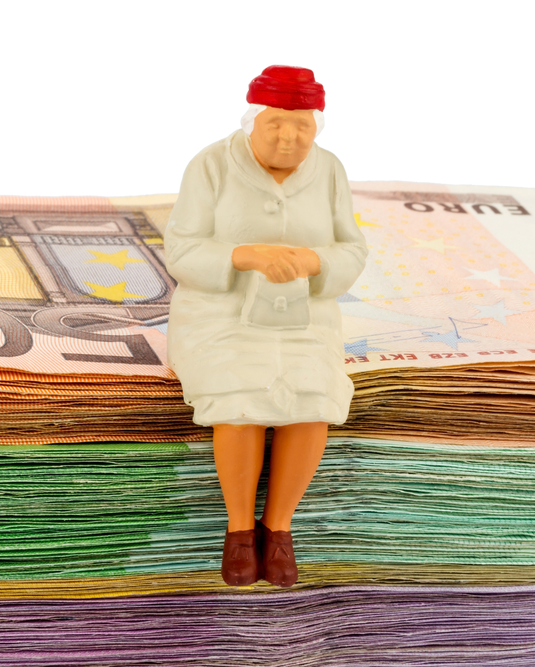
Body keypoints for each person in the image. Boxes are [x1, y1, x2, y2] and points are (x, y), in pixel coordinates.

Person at [163, 65, 367, 587]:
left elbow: (351, 249)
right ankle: (237, 531)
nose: (288, 137)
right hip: (222, 313)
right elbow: (182, 249)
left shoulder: (330, 171)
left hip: (304, 315)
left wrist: (314, 263)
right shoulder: (210, 165)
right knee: (240, 402)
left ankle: (277, 530)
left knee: (313, 403)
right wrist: (244, 255)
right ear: (254, 119)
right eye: (276, 123)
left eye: (302, 126)